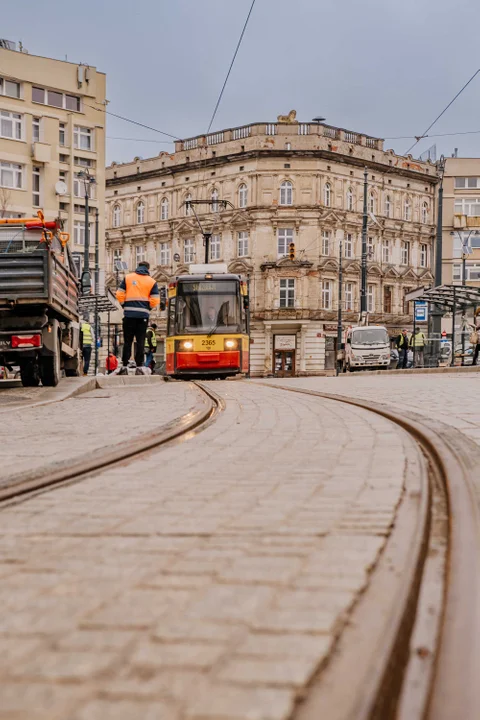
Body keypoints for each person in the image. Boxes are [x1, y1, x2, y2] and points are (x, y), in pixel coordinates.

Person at [116, 261, 160, 374]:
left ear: (138, 267)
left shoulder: (128, 278)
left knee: (127, 340)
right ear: (148, 268)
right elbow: (155, 299)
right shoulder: (152, 281)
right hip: (142, 316)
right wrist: (147, 308)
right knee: (140, 340)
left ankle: (125, 364)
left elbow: (119, 294)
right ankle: (139, 364)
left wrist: (124, 305)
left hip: (129, 314)